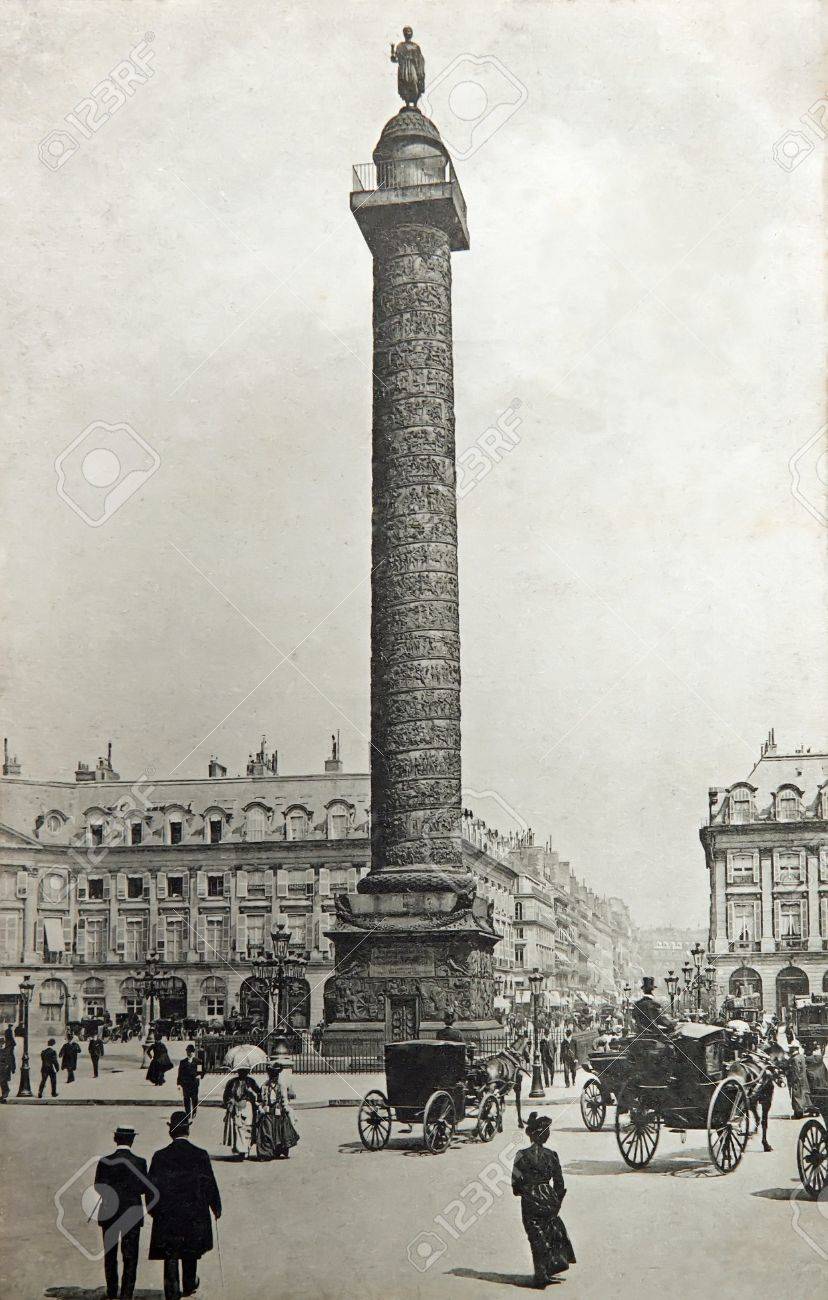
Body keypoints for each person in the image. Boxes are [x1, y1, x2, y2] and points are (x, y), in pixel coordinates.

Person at [148, 1111, 221, 1300]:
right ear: (188, 1130)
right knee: (191, 1248)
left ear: (170, 1132)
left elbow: (151, 1189)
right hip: (193, 1214)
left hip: (168, 1215)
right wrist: (216, 1207)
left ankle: (171, 1292)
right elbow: (209, 1185)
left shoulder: (160, 1156)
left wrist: (154, 1211)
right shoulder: (200, 1154)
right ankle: (189, 1284)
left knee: (170, 1253)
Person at [512, 1112, 576, 1288]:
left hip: (529, 1198)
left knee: (535, 1236)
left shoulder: (521, 1155)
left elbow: (515, 1184)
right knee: (550, 1233)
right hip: (548, 1197)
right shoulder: (552, 1155)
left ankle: (540, 1274)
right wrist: (556, 1201)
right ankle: (546, 1271)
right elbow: (559, 1183)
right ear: (545, 1135)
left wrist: (524, 1192)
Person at [94, 1125, 150, 1300]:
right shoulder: (140, 1162)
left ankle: (112, 1292)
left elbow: (98, 1186)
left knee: (110, 1254)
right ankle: (127, 1294)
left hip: (109, 1212)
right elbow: (144, 1188)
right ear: (132, 1140)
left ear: (115, 1139)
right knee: (130, 1255)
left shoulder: (105, 1161)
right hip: (132, 1212)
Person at [256, 1062, 300, 1160]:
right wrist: (261, 1107)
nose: (274, 1076)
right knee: (266, 1132)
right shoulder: (264, 1086)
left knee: (280, 1132)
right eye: (272, 1073)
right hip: (267, 1112)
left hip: (278, 1111)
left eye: (276, 1074)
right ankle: (266, 1153)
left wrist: (286, 1108)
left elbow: (284, 1100)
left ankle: (278, 1150)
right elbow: (259, 1100)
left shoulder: (281, 1086)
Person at [222, 1067, 261, 1158]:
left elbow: (259, 1093)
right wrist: (230, 1102)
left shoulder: (251, 1082)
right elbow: (226, 1095)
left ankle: (247, 1147)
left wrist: (252, 1094)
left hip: (248, 1107)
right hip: (236, 1107)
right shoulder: (232, 1082)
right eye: (240, 1071)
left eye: (245, 1071)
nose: (242, 1073)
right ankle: (240, 1149)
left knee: (248, 1127)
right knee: (238, 1127)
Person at [390, 26, 425, 108]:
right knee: (405, 84)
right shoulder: (400, 46)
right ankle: (407, 103)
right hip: (404, 68)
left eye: (409, 31)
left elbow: (420, 59)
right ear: (404, 34)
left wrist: (420, 71)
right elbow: (394, 59)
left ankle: (415, 103)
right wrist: (392, 49)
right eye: (406, 31)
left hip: (413, 67)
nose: (408, 33)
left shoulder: (416, 46)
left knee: (414, 82)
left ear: (411, 33)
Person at [177, 1043, 199, 1119]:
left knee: (194, 1098)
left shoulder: (198, 1061)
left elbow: (202, 1071)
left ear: (193, 1053)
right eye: (188, 1052)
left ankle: (194, 1111)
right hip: (185, 1083)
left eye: (191, 1052)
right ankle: (188, 1113)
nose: (189, 1053)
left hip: (194, 1083)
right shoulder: (183, 1062)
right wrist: (179, 1084)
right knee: (186, 1099)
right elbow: (180, 1073)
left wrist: (199, 1076)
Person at [0, 1034, 15, 1102]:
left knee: (2, 1081)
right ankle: (5, 1093)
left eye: (1, 1043)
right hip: (2, 1068)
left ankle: (5, 1093)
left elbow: (8, 1061)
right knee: (2, 1081)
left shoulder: (4, 1051)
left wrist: (6, 1067)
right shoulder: (4, 1051)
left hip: (2, 1068)